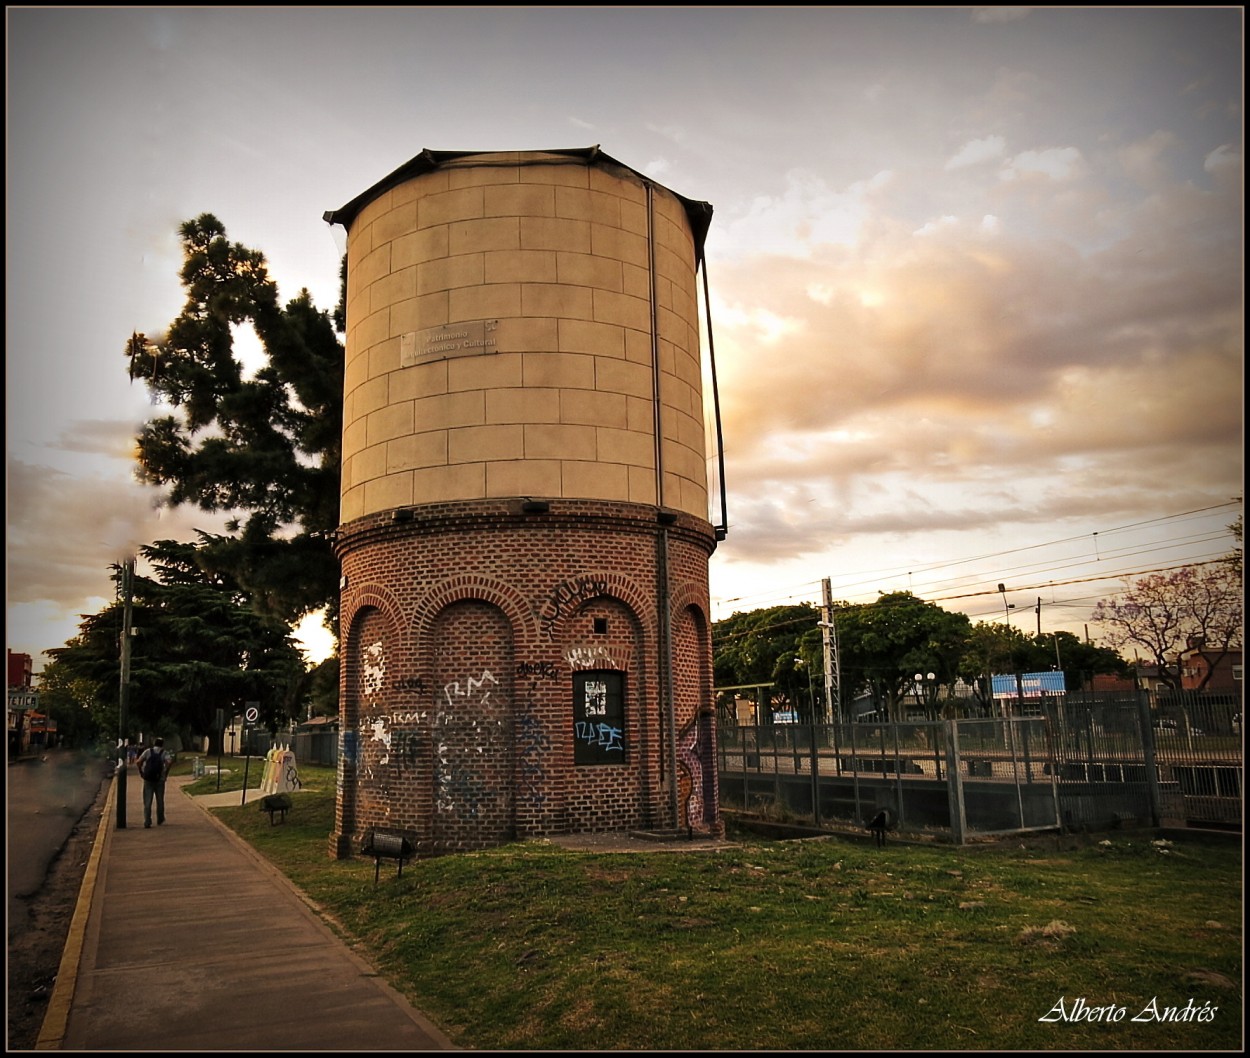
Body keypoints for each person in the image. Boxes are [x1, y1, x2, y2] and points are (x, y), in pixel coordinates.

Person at [136, 737, 171, 828]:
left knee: (147, 801)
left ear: (154, 743)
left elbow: (138, 762)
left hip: (148, 779)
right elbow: (169, 762)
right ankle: (160, 819)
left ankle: (147, 821)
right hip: (160, 779)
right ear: (162, 744)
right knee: (160, 800)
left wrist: (141, 772)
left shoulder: (148, 751)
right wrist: (165, 773)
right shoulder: (164, 753)